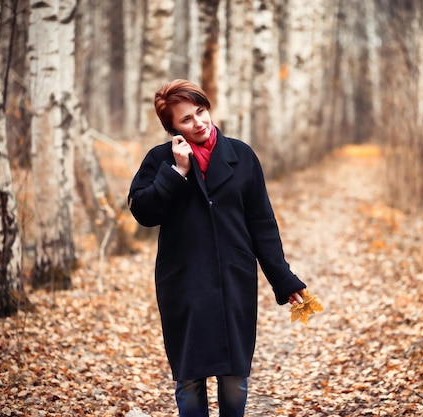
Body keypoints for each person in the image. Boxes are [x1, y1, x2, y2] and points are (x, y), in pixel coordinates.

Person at [127, 79, 307, 417]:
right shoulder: (160, 159)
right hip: (183, 283)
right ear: (172, 128)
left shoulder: (241, 155)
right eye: (186, 120)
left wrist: (284, 279)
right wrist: (176, 173)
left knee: (235, 377)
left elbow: (262, 224)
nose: (199, 122)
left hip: (233, 279)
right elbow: (143, 212)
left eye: (201, 111)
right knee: (190, 377)